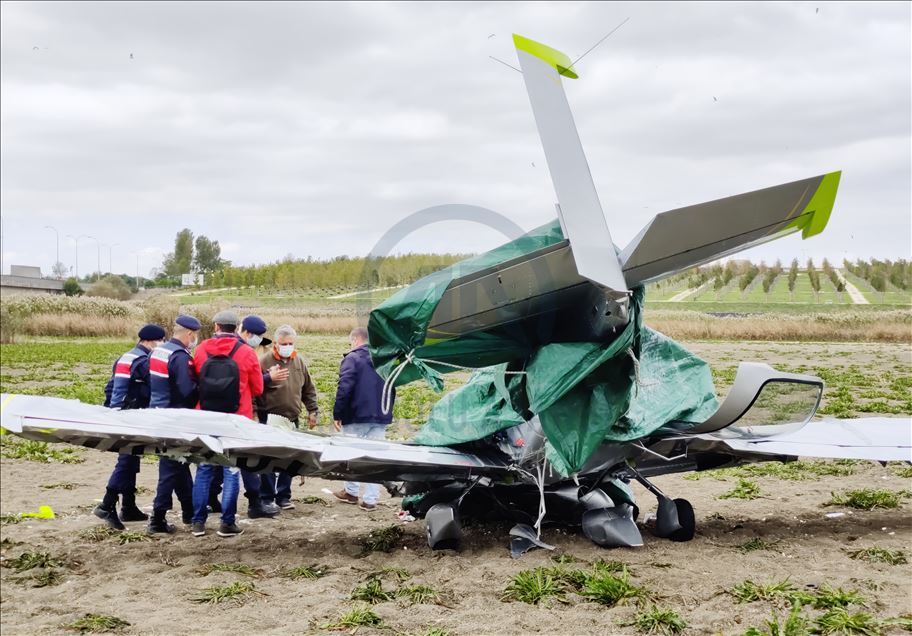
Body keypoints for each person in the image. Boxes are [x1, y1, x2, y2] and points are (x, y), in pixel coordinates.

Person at [189, 310, 264, 538]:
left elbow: (194, 379)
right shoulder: (246, 352)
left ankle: (198, 522)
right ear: (236, 328)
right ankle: (227, 522)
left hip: (206, 417)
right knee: (232, 471)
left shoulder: (201, 349)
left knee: (204, 470)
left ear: (216, 327)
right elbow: (259, 388)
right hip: (236, 419)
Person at [93, 324, 165, 529]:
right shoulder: (143, 361)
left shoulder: (126, 357)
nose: (161, 345)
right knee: (126, 461)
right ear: (151, 341)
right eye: (160, 341)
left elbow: (111, 386)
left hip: (118, 413)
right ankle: (107, 504)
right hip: (130, 417)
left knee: (131, 460)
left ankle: (128, 506)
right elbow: (151, 389)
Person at [146, 314, 200, 534]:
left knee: (179, 464)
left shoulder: (160, 351)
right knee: (170, 469)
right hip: (174, 418)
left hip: (158, 413)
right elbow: (186, 390)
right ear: (189, 334)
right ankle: (157, 518)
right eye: (195, 336)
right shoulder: (179, 356)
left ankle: (189, 510)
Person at [256, 325, 319, 509]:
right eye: (284, 343)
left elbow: (308, 389)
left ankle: (283, 496)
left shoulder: (298, 361)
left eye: (291, 343)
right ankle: (267, 496)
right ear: (275, 343)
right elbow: (255, 390)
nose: (288, 346)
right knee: (267, 459)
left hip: (292, 418)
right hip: (270, 417)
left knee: (291, 458)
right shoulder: (264, 362)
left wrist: (312, 410)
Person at [332, 327, 394, 511]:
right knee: (373, 458)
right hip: (379, 416)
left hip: (356, 415)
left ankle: (351, 492)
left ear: (355, 340)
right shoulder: (385, 361)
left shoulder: (352, 358)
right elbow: (392, 387)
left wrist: (338, 413)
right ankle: (370, 500)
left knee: (351, 456)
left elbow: (345, 387)